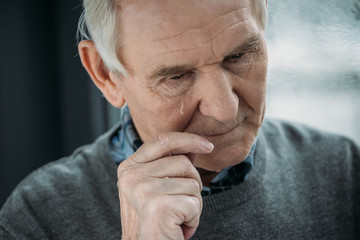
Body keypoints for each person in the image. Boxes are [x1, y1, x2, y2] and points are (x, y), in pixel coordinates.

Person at [1, 0, 359, 239]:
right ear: (106, 76)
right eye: (176, 77)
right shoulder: (37, 218)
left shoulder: (344, 171)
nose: (225, 109)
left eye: (239, 55)